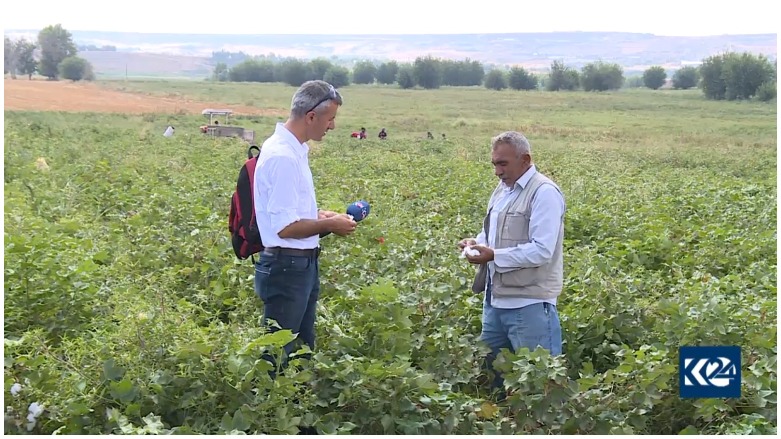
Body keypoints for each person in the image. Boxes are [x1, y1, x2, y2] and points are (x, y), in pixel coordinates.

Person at [254, 80, 358, 374]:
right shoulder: (283, 157)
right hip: (287, 267)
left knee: (298, 348)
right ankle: (272, 413)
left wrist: (318, 215)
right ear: (311, 116)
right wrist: (330, 225)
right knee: (279, 352)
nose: (332, 126)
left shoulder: (291, 150)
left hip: (298, 265)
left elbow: (287, 211)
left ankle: (295, 411)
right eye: (330, 119)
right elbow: (286, 227)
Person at [457, 130, 565, 391]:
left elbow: (542, 250)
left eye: (503, 163)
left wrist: (494, 255)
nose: (497, 171)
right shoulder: (502, 191)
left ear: (525, 159)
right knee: (492, 378)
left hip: (529, 304)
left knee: (541, 384)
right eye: (494, 164)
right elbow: (492, 233)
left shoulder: (544, 193)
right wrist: (475, 243)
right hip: (495, 302)